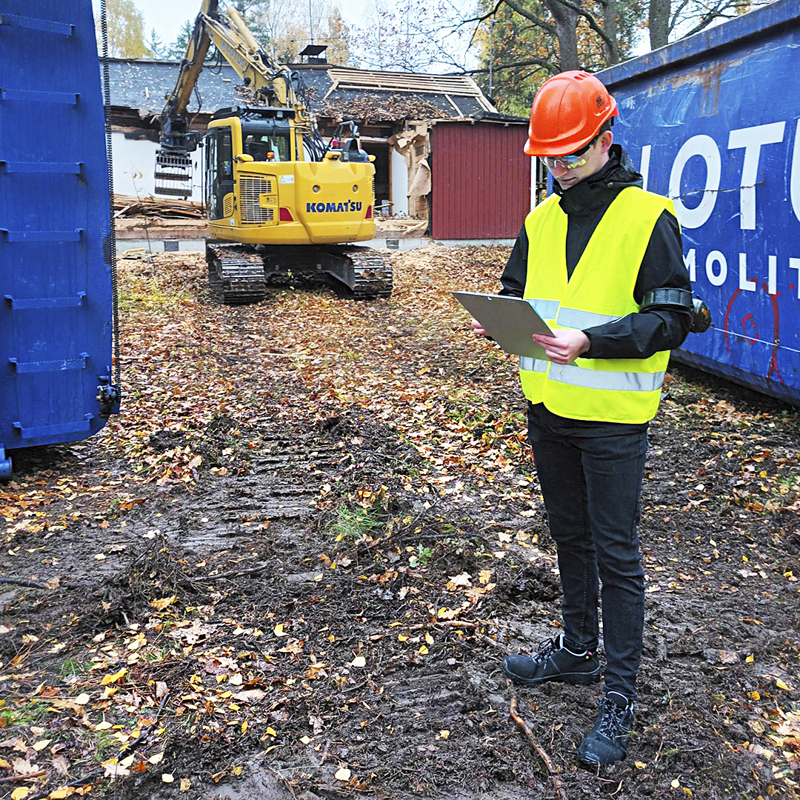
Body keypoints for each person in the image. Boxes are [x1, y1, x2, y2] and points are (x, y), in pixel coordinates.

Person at [472, 70, 693, 768]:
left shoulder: (649, 216)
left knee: (616, 555)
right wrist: (498, 321)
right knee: (569, 536)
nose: (559, 168)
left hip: (612, 419)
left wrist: (593, 341)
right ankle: (575, 651)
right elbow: (516, 290)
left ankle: (619, 696)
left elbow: (671, 317)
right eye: (550, 158)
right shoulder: (539, 220)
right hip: (548, 409)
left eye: (570, 155)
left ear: (605, 138)